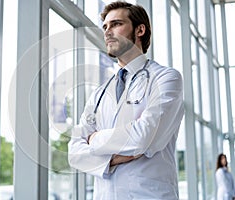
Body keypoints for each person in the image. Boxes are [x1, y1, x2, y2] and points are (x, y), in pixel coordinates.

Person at [68, 1, 184, 199]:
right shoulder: (100, 93)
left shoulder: (166, 78)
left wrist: (95, 139)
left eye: (116, 24)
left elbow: (144, 135)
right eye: (105, 26)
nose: (107, 32)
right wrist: (113, 159)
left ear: (140, 30)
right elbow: (75, 153)